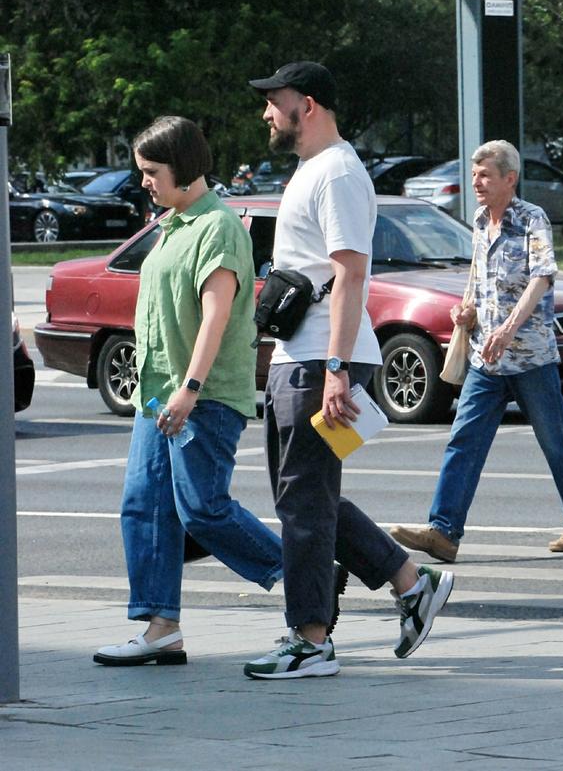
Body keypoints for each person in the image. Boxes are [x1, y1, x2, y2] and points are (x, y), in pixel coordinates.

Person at [245, 61, 452, 679]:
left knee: (304, 504)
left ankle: (310, 641)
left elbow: (352, 273)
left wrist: (336, 368)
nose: (266, 113)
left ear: (305, 105)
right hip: (299, 356)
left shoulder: (337, 172)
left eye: (273, 101)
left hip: (321, 360)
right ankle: (410, 583)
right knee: (303, 496)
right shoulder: (312, 170)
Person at [94, 116, 286, 668]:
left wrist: (190, 388)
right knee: (144, 507)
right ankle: (161, 629)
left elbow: (216, 317)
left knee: (202, 509)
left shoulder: (217, 227)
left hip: (199, 398)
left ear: (183, 165)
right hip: (156, 397)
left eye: (152, 171)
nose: (145, 182)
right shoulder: (171, 224)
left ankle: (306, 576)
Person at [390, 140, 563, 563]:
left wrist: (508, 328)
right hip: (486, 357)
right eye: (474, 175)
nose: (477, 183)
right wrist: (467, 309)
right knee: (463, 439)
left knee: (555, 442)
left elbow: (543, 276)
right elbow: (480, 277)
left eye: (485, 175)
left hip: (529, 356)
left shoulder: (531, 219)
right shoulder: (478, 220)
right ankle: (443, 531)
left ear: (510, 178)